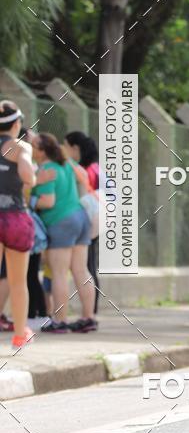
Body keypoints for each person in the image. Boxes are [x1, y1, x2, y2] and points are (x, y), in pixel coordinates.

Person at [30, 133, 96, 333]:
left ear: (41, 151)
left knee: (59, 273)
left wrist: (29, 201)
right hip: (80, 218)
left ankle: (60, 321)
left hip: (61, 222)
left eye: (33, 146)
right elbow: (83, 176)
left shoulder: (47, 169)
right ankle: (88, 318)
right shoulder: (65, 163)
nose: (29, 149)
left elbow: (48, 201)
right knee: (81, 271)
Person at [0, 101, 36, 347]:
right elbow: (27, 177)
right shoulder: (19, 146)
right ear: (16, 123)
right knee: (17, 281)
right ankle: (20, 334)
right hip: (14, 219)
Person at [64, 131, 100, 314]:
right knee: (90, 265)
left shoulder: (86, 170)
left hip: (88, 218)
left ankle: (90, 310)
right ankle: (91, 310)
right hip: (98, 219)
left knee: (87, 266)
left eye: (66, 146)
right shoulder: (96, 167)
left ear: (75, 148)